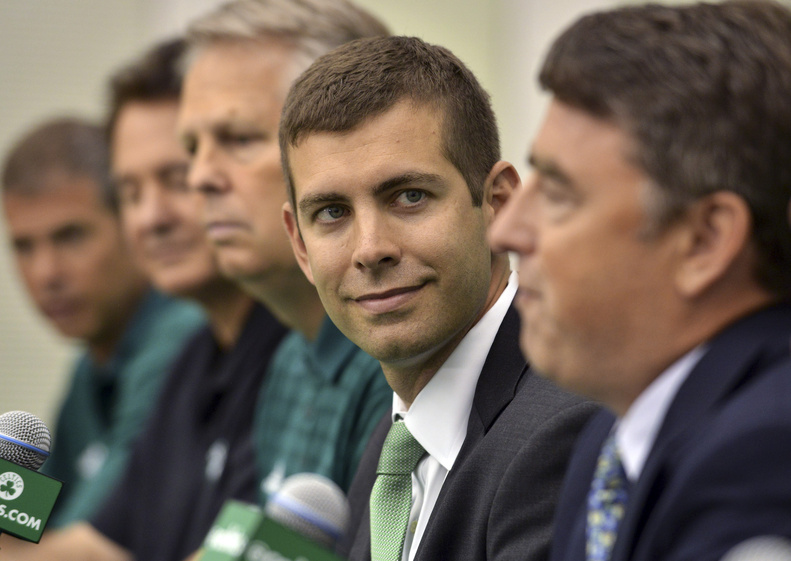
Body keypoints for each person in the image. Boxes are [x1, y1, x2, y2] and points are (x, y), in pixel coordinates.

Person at [488, 2, 791, 561]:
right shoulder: (610, 443)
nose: (505, 230)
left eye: (557, 193)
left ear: (703, 241)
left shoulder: (764, 456)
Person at [280, 35, 597, 561]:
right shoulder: (396, 436)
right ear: (300, 245)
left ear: (499, 204)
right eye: (332, 212)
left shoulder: (561, 428)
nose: (370, 249)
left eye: (409, 197)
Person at [177, 0, 393, 500]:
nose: (199, 177)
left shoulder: (400, 352)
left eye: (238, 139)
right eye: (192, 147)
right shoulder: (291, 358)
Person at [1, 118, 204, 528]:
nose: (46, 274)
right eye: (24, 246)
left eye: (70, 237)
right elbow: (38, 524)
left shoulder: (180, 335)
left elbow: (84, 542)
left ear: (130, 223)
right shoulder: (90, 366)